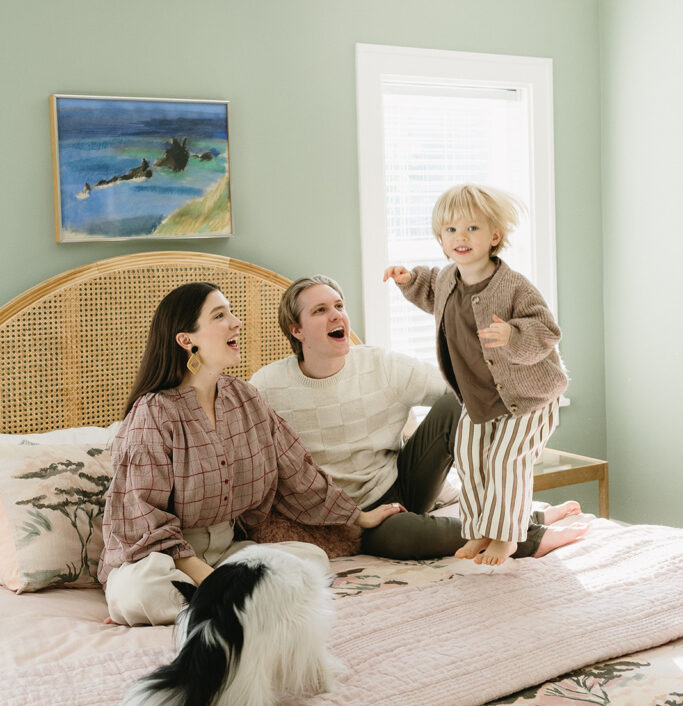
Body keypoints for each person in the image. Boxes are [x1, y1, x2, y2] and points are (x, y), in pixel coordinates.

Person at [97, 282, 400, 626]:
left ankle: (211, 606)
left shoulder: (245, 397)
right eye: (220, 315)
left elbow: (297, 471)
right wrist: (206, 578)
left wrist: (359, 516)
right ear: (187, 340)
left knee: (311, 559)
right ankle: (233, 604)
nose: (236, 322)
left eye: (231, 312)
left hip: (228, 555)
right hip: (163, 560)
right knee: (141, 591)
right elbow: (143, 518)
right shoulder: (153, 412)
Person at [250, 275, 586, 561]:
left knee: (457, 404)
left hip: (402, 483)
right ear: (296, 330)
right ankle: (529, 531)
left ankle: (509, 520)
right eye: (320, 310)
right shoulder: (267, 386)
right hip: (349, 517)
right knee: (404, 538)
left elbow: (457, 390)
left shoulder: (381, 364)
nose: (336, 315)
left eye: (339, 305)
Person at [385, 183, 573, 567]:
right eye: (451, 230)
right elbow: (431, 293)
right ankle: (481, 530)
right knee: (470, 459)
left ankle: (507, 536)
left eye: (472, 228)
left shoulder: (513, 285)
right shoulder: (446, 280)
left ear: (494, 236)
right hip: (477, 397)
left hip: (527, 398)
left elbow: (546, 331)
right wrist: (408, 281)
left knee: (506, 460)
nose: (461, 237)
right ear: (440, 239)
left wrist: (512, 335)